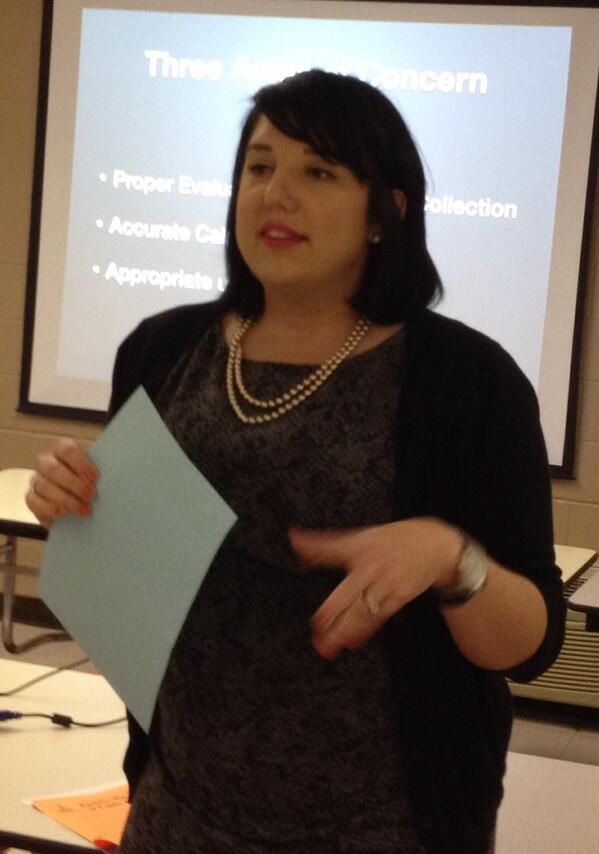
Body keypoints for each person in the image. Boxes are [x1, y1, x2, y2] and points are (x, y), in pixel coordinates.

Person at [27, 70, 565, 854]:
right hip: (178, 810)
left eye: (318, 172)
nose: (274, 194)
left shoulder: (467, 383)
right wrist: (75, 504)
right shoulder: (162, 348)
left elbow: (529, 646)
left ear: (384, 213)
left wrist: (450, 558)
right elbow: (132, 578)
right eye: (258, 167)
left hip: (387, 828)